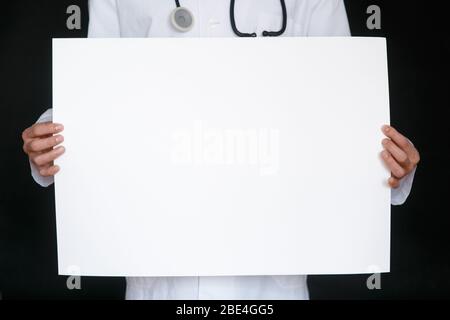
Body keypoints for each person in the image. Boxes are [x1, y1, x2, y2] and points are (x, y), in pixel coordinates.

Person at [21, 0, 420, 300]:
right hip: (159, 275)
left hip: (271, 280)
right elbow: (99, 92)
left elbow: (343, 102)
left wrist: (385, 165)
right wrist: (54, 137)